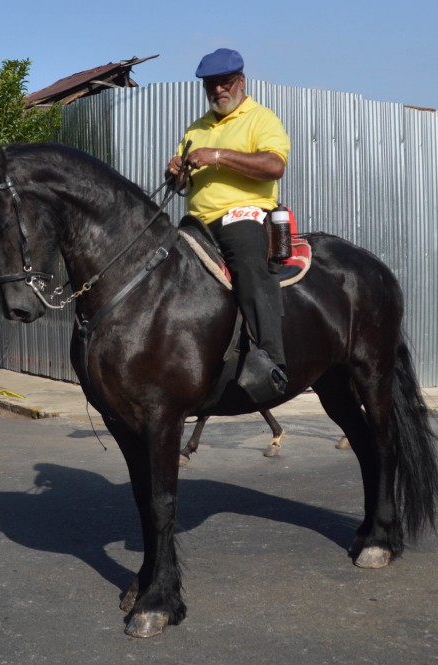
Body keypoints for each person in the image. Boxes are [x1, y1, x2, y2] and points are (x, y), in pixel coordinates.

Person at [167, 47, 290, 402]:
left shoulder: (261, 118)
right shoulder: (196, 127)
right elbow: (181, 186)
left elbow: (274, 165)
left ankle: (271, 361)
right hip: (197, 223)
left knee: (250, 265)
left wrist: (218, 156)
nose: (218, 90)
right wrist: (175, 171)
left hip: (245, 215)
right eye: (211, 85)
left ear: (241, 81)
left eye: (224, 83)